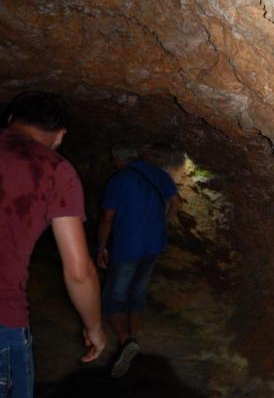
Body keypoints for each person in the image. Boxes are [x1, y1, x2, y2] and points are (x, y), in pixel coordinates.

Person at [0, 91, 106, 398]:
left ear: (10, 121)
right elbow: (78, 271)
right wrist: (94, 327)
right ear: (60, 135)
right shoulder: (55, 170)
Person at [96, 142, 180, 379]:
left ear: (117, 160)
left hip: (127, 246)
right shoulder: (159, 174)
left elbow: (107, 217)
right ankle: (135, 337)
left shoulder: (118, 181)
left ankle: (126, 340)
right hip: (154, 245)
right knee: (138, 291)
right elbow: (177, 203)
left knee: (113, 297)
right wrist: (163, 225)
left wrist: (101, 247)